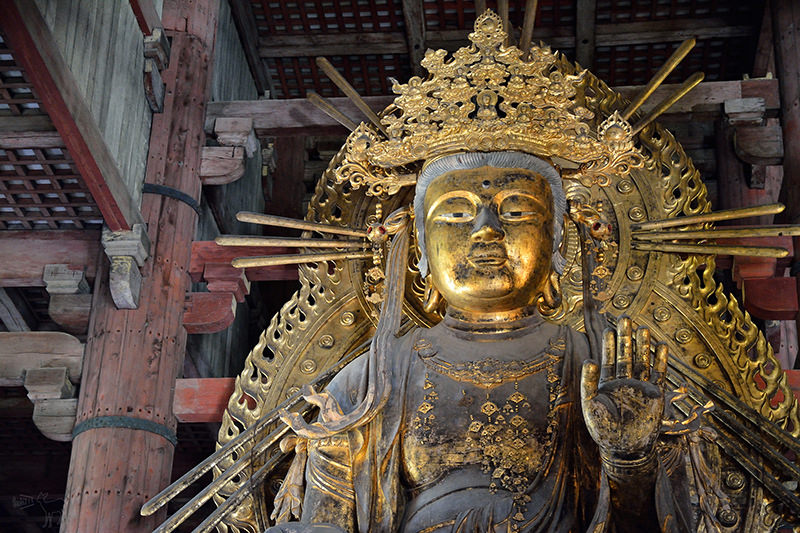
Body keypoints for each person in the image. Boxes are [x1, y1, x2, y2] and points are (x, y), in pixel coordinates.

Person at [269, 151, 692, 533]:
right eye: (455, 214)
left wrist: (629, 461)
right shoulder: (368, 384)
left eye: (517, 211)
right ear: (420, 249)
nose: (486, 231)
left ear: (558, 243)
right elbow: (324, 525)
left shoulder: (605, 371)